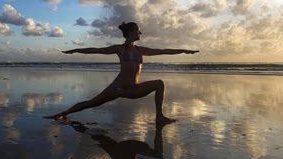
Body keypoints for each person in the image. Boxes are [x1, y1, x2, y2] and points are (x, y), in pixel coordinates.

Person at [44, 22, 199, 123]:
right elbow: (95, 50)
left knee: (159, 84)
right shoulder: (118, 49)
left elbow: (164, 51)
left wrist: (184, 51)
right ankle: (62, 113)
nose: (141, 33)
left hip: (134, 89)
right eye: (139, 31)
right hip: (117, 87)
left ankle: (160, 117)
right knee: (91, 103)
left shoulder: (141, 50)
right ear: (131, 32)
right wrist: (75, 50)